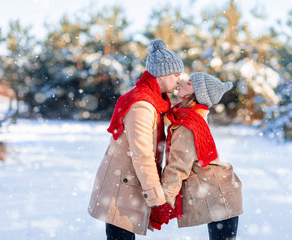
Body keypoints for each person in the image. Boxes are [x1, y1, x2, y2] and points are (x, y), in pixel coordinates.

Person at [88, 39, 184, 239]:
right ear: (162, 74)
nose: (179, 80)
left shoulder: (154, 102)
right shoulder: (143, 106)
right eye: (176, 74)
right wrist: (157, 200)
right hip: (121, 191)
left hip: (127, 186)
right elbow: (142, 156)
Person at [149, 72, 243, 240]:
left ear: (196, 94)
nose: (183, 83)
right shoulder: (184, 115)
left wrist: (163, 202)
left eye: (190, 84)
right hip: (218, 191)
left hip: (219, 194)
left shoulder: (188, 123)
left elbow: (178, 167)